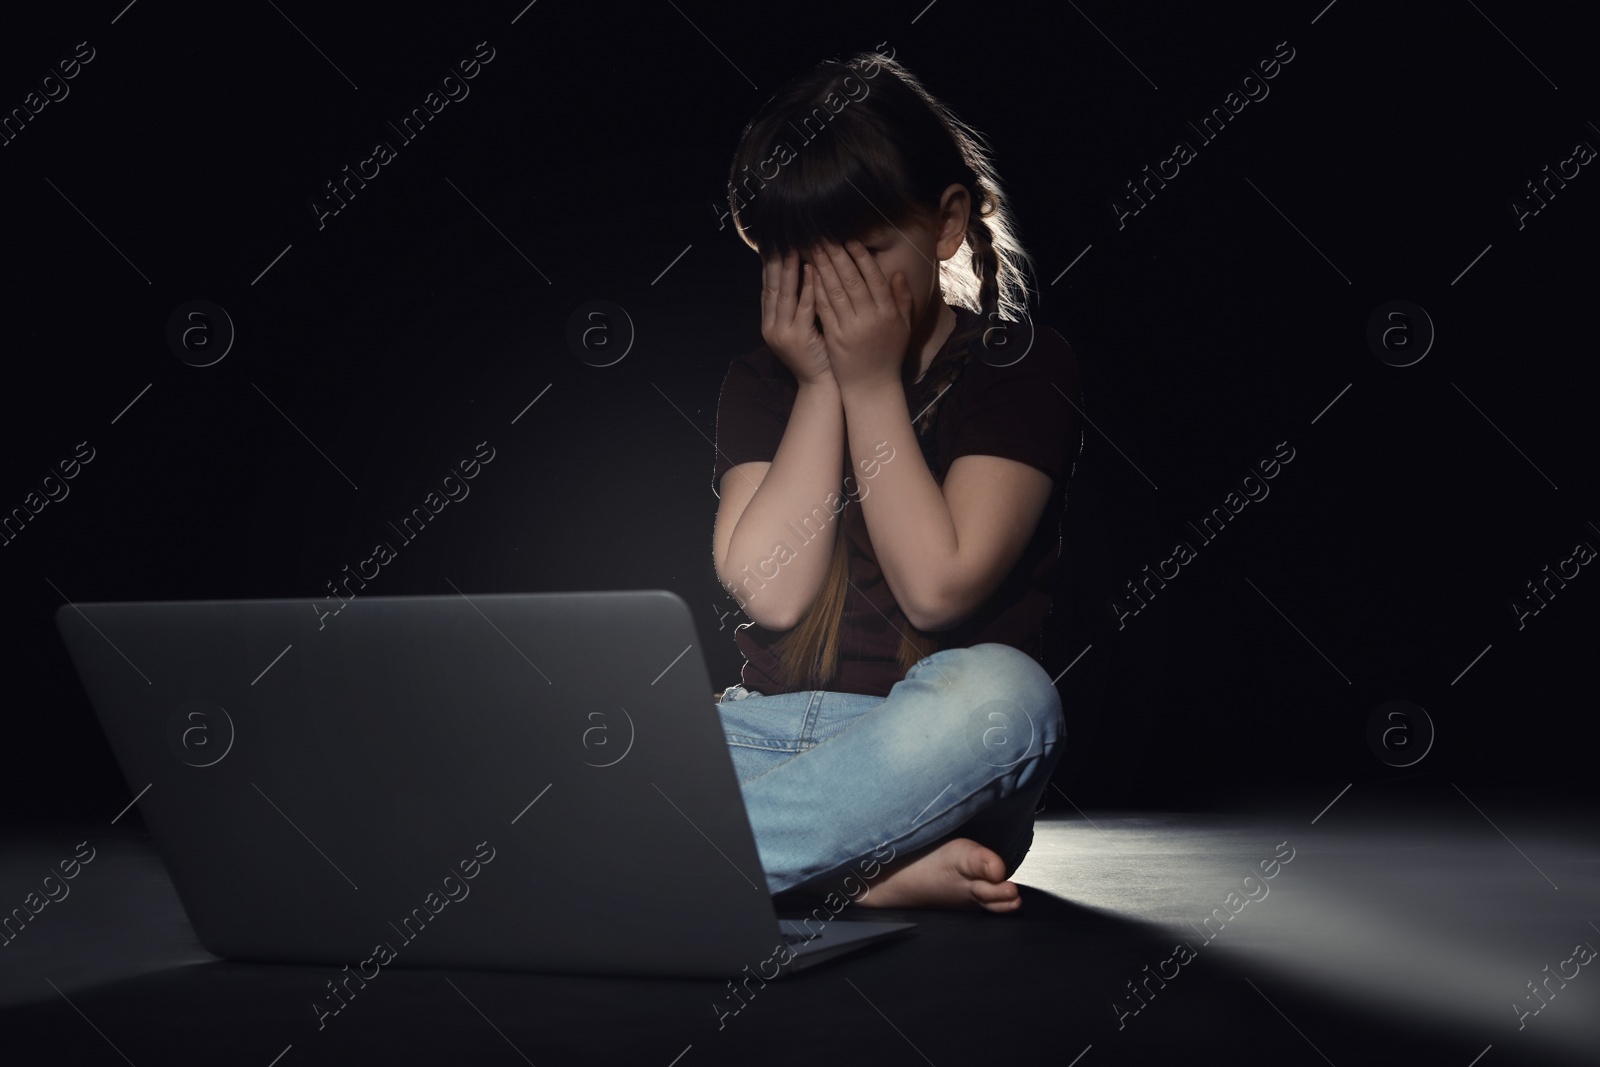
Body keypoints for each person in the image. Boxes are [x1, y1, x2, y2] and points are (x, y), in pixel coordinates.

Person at [710, 50, 1083, 913]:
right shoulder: (760, 381)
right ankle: (853, 875)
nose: (838, 299)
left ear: (946, 223)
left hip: (933, 760)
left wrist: (871, 384)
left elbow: (937, 590)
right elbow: (773, 591)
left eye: (868, 254)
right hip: (770, 741)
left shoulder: (1017, 367)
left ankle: (673, 871)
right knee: (582, 741)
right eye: (806, 266)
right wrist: (817, 387)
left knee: (1009, 696)